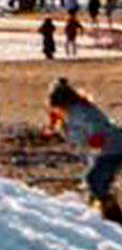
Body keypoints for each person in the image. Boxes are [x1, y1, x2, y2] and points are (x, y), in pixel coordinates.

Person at [47, 78, 122, 222]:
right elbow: (78, 139)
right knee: (95, 183)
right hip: (105, 150)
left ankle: (113, 217)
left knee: (94, 181)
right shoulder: (72, 113)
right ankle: (101, 214)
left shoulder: (82, 110)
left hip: (113, 148)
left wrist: (96, 137)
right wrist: (60, 127)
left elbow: (95, 128)